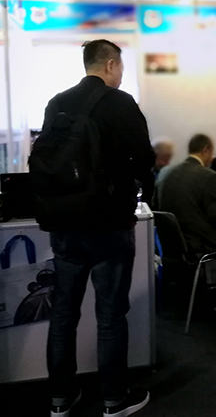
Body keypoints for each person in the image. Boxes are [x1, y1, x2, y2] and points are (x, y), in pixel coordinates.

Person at [44, 40, 154, 417]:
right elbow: (144, 158)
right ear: (110, 65)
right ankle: (113, 400)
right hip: (109, 225)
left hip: (64, 225)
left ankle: (60, 399)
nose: (120, 74)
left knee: (63, 315)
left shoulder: (56, 103)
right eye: (120, 67)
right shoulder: (121, 103)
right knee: (109, 315)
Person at [154, 134, 216, 269]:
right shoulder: (209, 176)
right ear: (205, 150)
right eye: (211, 153)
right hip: (199, 242)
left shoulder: (165, 173)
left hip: (172, 244)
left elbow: (155, 206)